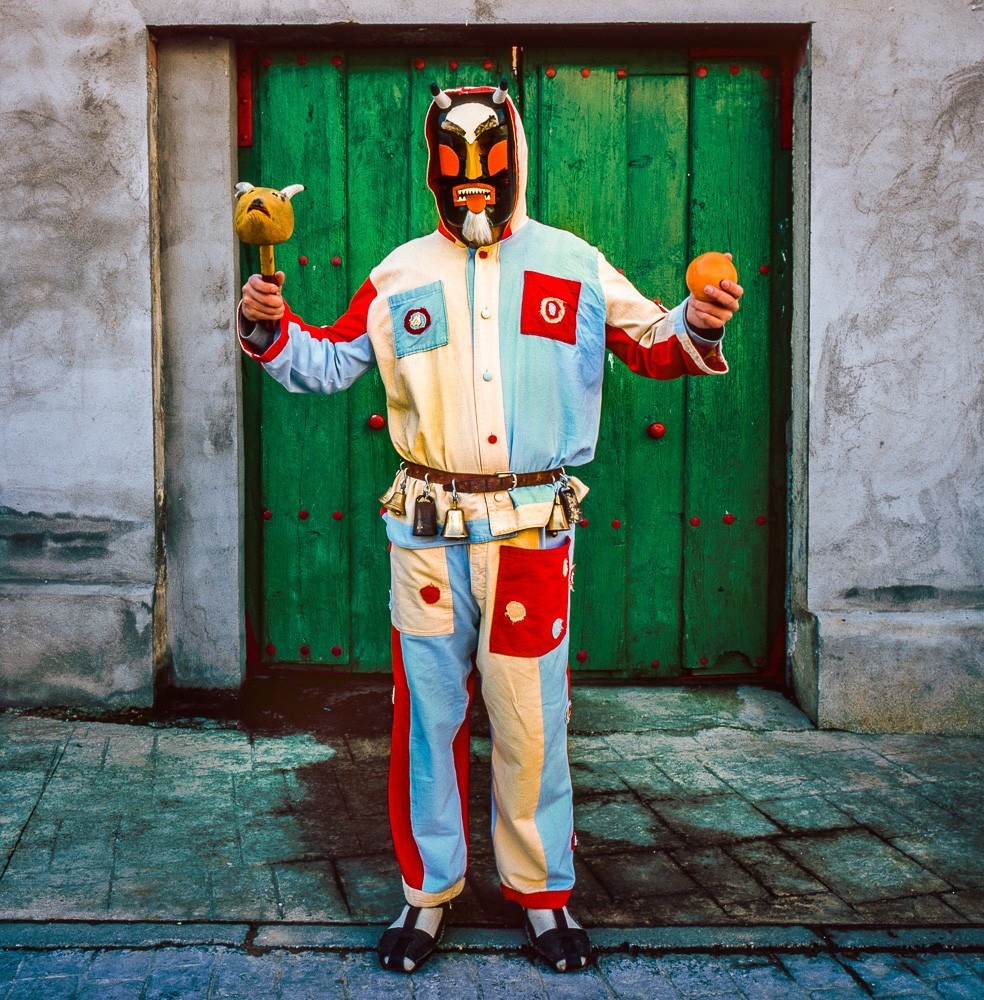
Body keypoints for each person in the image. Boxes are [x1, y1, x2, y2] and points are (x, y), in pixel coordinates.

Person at [238, 80, 743, 974]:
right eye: (454, 168)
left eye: (489, 165)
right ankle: (426, 892)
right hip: (428, 536)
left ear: (516, 163)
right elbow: (328, 361)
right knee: (425, 720)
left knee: (530, 717)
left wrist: (696, 321)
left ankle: (542, 895)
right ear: (433, 172)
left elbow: (652, 343)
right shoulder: (398, 274)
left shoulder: (576, 263)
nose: (473, 183)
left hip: (530, 534)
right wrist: (267, 327)